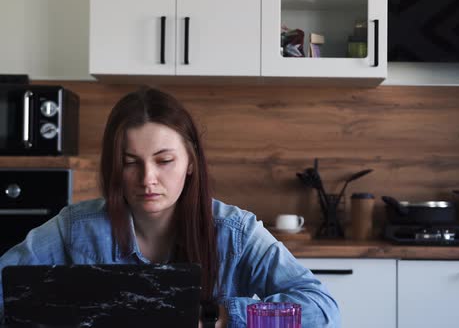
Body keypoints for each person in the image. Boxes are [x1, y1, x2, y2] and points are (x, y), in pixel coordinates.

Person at [0, 87, 340, 327]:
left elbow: (321, 309)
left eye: (164, 161)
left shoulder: (235, 231)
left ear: (190, 162)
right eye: (130, 162)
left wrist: (218, 317)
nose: (148, 179)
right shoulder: (75, 227)